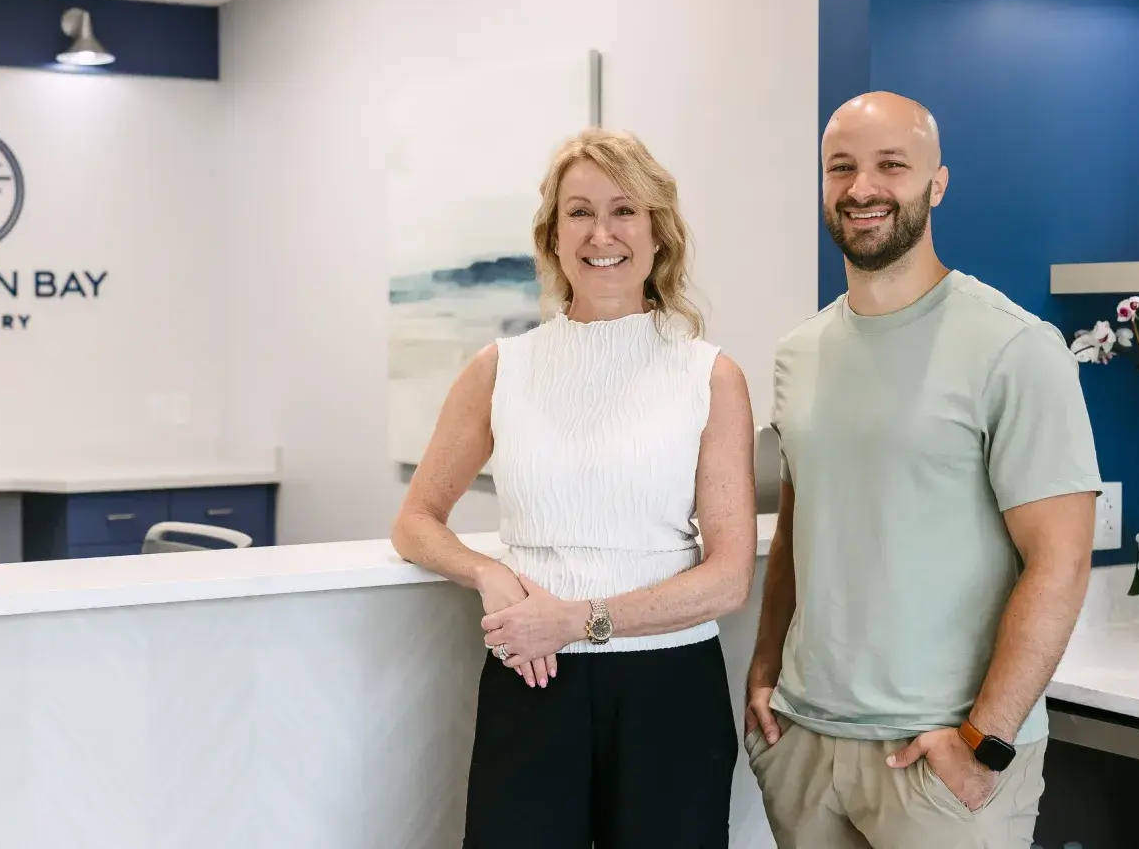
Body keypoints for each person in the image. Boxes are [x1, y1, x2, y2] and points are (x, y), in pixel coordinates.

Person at [746, 92, 1100, 849]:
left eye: (891, 166)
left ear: (937, 183)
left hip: (943, 754)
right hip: (805, 742)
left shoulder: (1014, 348)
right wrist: (764, 671)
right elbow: (798, 531)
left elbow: (1062, 559)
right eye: (840, 168)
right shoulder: (797, 353)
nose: (862, 188)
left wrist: (988, 742)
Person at [391, 128, 758, 849]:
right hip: (533, 680)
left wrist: (579, 619)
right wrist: (489, 573)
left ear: (658, 233)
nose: (602, 233)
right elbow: (417, 521)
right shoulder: (502, 369)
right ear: (553, 236)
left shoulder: (710, 376)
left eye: (624, 211)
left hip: (669, 690)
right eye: (579, 212)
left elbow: (727, 579)